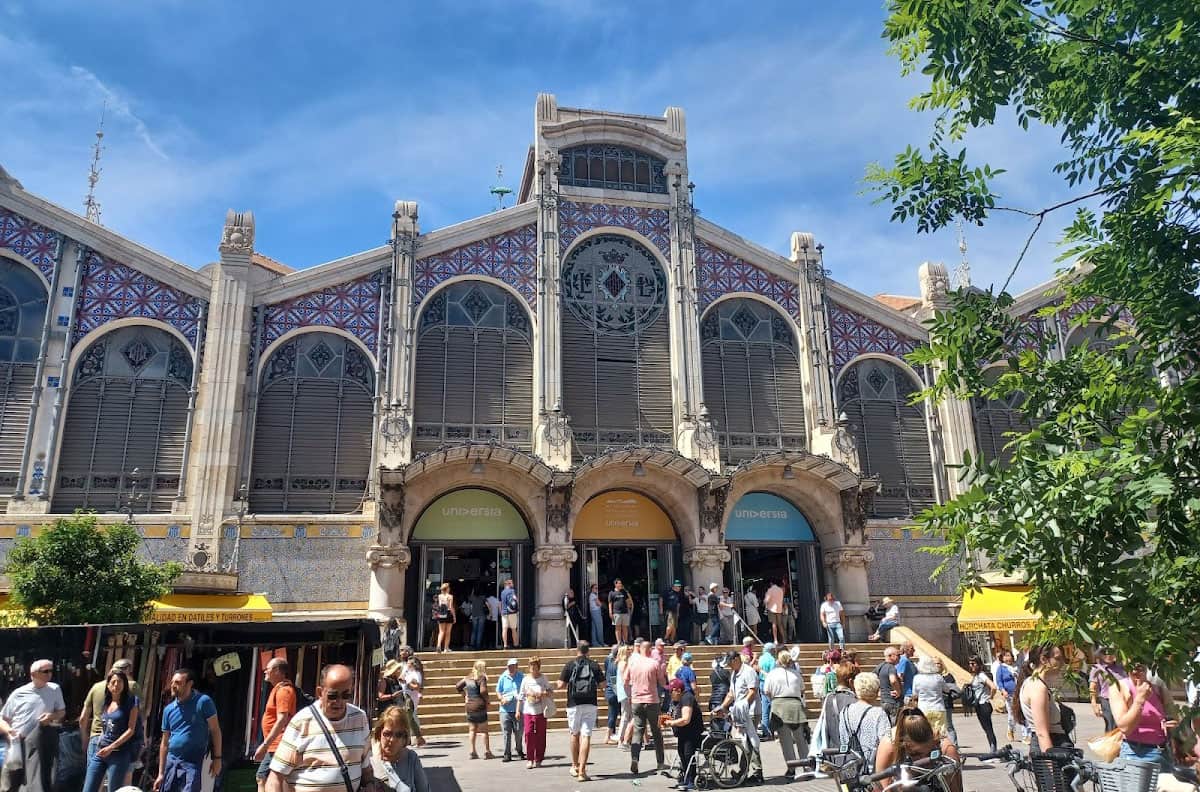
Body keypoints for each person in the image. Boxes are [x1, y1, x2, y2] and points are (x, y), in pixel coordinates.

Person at [267, 664, 371, 792]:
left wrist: (371, 785)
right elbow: (275, 777)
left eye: (346, 695)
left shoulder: (360, 718)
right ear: (320, 693)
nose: (339, 701)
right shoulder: (301, 722)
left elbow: (366, 768)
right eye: (333, 696)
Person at [155, 668, 221, 792]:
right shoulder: (168, 710)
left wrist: (217, 758)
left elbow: (215, 730)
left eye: (178, 682)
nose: (173, 686)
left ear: (190, 684)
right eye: (172, 682)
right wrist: (161, 773)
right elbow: (164, 743)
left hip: (192, 763)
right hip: (172, 762)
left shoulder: (203, 702)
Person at [78, 657, 141, 785]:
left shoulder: (96, 687)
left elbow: (83, 718)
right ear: (127, 671)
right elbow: (142, 717)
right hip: (109, 741)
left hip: (99, 739)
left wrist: (85, 738)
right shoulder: (132, 686)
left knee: (97, 783)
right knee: (123, 782)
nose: (116, 685)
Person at [1109, 662, 1178, 771]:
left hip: (1163, 753)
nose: (1136, 671)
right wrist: (1140, 698)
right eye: (1132, 667)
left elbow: (1174, 718)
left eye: (1140, 667)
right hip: (1135, 754)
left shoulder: (1157, 687)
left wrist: (1172, 726)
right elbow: (1125, 728)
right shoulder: (1119, 688)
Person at [875, 707, 962, 792]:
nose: (924, 760)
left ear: (933, 740)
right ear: (903, 744)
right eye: (915, 754)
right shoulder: (890, 745)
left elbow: (954, 788)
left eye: (929, 754)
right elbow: (884, 785)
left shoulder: (945, 747)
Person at [713, 651, 763, 785]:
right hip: (740, 713)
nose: (729, 666)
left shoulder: (748, 672)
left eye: (730, 663)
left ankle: (755, 773)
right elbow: (731, 693)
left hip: (750, 711)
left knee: (750, 742)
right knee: (745, 742)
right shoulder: (734, 674)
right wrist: (722, 707)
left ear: (736, 659)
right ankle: (744, 772)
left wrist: (744, 705)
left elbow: (752, 691)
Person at [558, 640, 603, 781]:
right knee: (586, 735)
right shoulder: (594, 665)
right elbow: (603, 684)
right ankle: (583, 771)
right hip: (590, 703)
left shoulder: (570, 665)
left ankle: (574, 765)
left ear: (576, 650)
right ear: (588, 651)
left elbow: (560, 685)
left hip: (573, 703)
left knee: (574, 734)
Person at [763, 649, 809, 783]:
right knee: (801, 738)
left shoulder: (772, 674)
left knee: (786, 740)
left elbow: (766, 691)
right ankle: (806, 766)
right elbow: (802, 689)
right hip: (795, 704)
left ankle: (792, 768)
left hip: (779, 705)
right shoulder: (796, 673)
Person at [1017, 643, 1072, 751]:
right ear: (1043, 659)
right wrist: (1049, 764)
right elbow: (1042, 733)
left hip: (1054, 743)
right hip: (1052, 745)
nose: (1062, 663)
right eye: (1057, 659)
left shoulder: (1035, 683)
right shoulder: (1037, 687)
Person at [254, 658, 297, 792]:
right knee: (271, 778)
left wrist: (265, 745)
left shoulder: (283, 691)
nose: (265, 671)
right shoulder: (279, 689)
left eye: (268, 668)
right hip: (276, 744)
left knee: (263, 777)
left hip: (279, 744)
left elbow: (282, 719)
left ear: (277, 671)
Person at [626, 638, 667, 776]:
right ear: (650, 650)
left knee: (638, 731)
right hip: (652, 700)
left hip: (637, 700)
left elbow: (625, 680)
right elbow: (661, 681)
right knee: (656, 732)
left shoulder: (633, 663)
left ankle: (635, 759)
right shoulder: (654, 663)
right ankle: (660, 762)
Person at [838, 672, 893, 769]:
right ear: (876, 691)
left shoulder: (845, 711)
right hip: (873, 766)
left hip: (851, 764)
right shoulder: (879, 713)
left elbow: (843, 738)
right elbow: (886, 742)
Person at [370, 706, 428, 792]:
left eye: (398, 735)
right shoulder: (369, 761)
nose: (392, 740)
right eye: (387, 734)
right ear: (379, 733)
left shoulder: (411, 758)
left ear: (404, 738)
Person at [664, 678, 703, 791]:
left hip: (692, 732)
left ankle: (691, 779)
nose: (669, 693)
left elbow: (686, 719)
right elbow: (673, 713)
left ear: (678, 690)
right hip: (683, 732)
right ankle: (685, 777)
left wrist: (672, 723)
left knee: (688, 754)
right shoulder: (676, 700)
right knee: (681, 753)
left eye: (671, 691)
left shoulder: (687, 698)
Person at [454, 660, 494, 760]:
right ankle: (487, 751)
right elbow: (483, 691)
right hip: (480, 705)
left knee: (472, 730)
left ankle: (472, 751)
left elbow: (458, 686)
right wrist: (487, 701)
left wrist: (464, 695)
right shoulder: (482, 678)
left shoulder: (468, 677)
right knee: (484, 731)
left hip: (470, 706)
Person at [519, 657, 551, 769]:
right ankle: (530, 758)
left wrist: (542, 693)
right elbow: (521, 695)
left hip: (541, 710)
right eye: (531, 666)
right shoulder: (525, 679)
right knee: (528, 734)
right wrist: (518, 710)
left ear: (539, 667)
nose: (533, 668)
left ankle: (539, 758)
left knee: (540, 735)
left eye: (535, 666)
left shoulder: (543, 678)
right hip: (528, 710)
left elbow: (550, 691)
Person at [911, 655, 954, 739]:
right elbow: (947, 690)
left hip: (923, 708)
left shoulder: (917, 678)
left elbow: (914, 694)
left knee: (925, 734)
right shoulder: (938, 677)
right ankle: (938, 750)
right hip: (938, 708)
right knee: (940, 734)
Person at [820, 660, 858, 752]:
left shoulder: (829, 698)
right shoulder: (852, 700)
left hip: (832, 751)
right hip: (851, 753)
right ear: (851, 681)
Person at [966, 656, 999, 753]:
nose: (971, 666)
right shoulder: (975, 676)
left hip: (984, 704)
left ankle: (993, 749)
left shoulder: (981, 675)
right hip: (978, 705)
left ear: (979, 664)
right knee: (985, 728)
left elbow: (993, 687)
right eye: (970, 664)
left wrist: (990, 696)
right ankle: (992, 747)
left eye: (973, 664)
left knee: (988, 727)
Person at [1089, 648, 1126, 733]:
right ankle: (1110, 744)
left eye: (1111, 652)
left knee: (1122, 725)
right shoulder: (1097, 668)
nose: (1108, 655)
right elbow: (1092, 687)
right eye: (1104, 653)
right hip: (1106, 700)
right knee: (1110, 725)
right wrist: (1094, 704)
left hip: (1122, 699)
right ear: (1100, 655)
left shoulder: (1121, 668)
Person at [496, 658, 525, 762]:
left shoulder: (522, 677)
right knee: (506, 733)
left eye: (513, 666)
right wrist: (501, 698)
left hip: (518, 709)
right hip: (505, 710)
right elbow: (498, 691)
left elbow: (524, 690)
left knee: (518, 732)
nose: (511, 668)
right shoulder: (503, 677)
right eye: (509, 666)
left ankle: (519, 749)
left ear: (517, 666)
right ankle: (507, 754)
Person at [995, 649, 1021, 741]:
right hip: (1009, 694)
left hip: (1019, 693)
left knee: (1021, 713)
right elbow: (999, 681)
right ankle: (1010, 731)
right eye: (1005, 656)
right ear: (1002, 658)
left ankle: (1026, 734)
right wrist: (1003, 690)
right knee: (1012, 714)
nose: (1007, 658)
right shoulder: (1001, 668)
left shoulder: (1016, 667)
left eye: (1009, 655)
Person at [401, 657, 427, 748]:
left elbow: (417, 686)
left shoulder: (416, 674)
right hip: (407, 696)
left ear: (413, 664)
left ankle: (406, 740)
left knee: (407, 719)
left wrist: (407, 683)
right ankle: (419, 738)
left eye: (409, 663)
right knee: (410, 719)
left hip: (411, 698)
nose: (407, 664)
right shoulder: (409, 672)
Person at [614, 645, 635, 749]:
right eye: (628, 650)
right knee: (626, 717)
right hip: (626, 692)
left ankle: (626, 738)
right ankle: (621, 739)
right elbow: (625, 681)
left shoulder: (622, 663)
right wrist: (629, 694)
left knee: (628, 716)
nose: (630, 651)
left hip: (625, 692)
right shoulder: (623, 664)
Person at [875, 646, 903, 723]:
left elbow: (873, 678)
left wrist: (879, 690)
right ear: (890, 656)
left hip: (884, 700)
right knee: (894, 726)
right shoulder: (891, 667)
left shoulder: (880, 666)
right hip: (893, 702)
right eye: (898, 655)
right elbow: (893, 680)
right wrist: (898, 691)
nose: (899, 658)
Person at [757, 643, 777, 740]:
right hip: (769, 684)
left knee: (765, 708)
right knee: (773, 708)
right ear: (772, 650)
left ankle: (766, 731)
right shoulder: (772, 660)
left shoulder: (761, 658)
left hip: (761, 683)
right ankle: (772, 730)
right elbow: (773, 674)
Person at [604, 645, 621, 745]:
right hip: (614, 692)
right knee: (613, 715)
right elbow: (614, 680)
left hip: (610, 690)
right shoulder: (615, 664)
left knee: (613, 714)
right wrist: (618, 693)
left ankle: (613, 734)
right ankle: (608, 736)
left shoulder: (608, 660)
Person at [608, 579, 633, 646]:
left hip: (625, 612)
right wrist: (610, 612)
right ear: (615, 584)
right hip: (616, 612)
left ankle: (625, 641)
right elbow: (610, 603)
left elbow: (628, 600)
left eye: (621, 583)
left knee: (625, 627)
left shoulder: (623, 592)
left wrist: (629, 606)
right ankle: (619, 642)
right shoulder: (612, 593)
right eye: (619, 583)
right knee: (618, 628)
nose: (620, 584)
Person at [433, 582, 455, 653]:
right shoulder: (450, 596)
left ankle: (438, 646)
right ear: (448, 589)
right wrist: (454, 616)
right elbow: (451, 607)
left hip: (441, 613)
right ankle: (446, 648)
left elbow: (439, 605)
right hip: (448, 613)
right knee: (448, 632)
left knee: (441, 631)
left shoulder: (439, 596)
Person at [763, 579, 785, 645]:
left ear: (771, 583)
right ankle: (784, 639)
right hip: (779, 609)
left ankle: (775, 640)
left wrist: (764, 602)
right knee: (780, 624)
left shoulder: (770, 590)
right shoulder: (780, 590)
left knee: (774, 624)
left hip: (772, 609)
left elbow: (766, 600)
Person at [500, 579, 520, 649]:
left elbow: (501, 603)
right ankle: (516, 644)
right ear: (508, 584)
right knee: (513, 629)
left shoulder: (502, 592)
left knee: (504, 629)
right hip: (512, 612)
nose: (513, 584)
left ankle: (505, 645)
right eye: (511, 583)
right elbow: (515, 600)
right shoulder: (512, 591)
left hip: (504, 612)